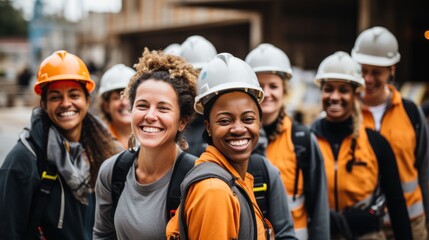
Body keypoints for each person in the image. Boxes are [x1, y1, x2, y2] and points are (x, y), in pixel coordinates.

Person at [167, 52, 297, 239]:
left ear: (259, 124)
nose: (238, 129)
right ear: (208, 127)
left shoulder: (235, 179)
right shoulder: (214, 191)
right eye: (225, 120)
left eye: (248, 119)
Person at [0, 50, 119, 239]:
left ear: (87, 101)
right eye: (55, 97)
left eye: (74, 95)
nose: (66, 104)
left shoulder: (102, 151)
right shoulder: (24, 160)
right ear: (44, 105)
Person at [93, 48, 199, 239]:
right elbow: (103, 235)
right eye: (142, 105)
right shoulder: (112, 172)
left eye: (163, 108)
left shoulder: (197, 178)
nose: (150, 116)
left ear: (182, 121)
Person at [310, 51, 412, 239]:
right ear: (321, 91)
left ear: (356, 94)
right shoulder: (307, 142)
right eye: (329, 88)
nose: (334, 96)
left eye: (343, 90)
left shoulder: (375, 143)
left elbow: (397, 203)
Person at [245, 43, 329, 240]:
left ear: (285, 91)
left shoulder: (302, 140)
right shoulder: (237, 141)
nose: (267, 93)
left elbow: (319, 209)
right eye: (260, 86)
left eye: (273, 86)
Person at [351, 26, 429, 239]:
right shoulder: (346, 115)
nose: (367, 79)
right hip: (365, 229)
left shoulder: (411, 113)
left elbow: (424, 170)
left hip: (412, 225)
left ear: (392, 70)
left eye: (376, 72)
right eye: (362, 70)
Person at [180, 35, 218, 157]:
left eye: (202, 74)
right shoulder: (174, 118)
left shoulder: (221, 117)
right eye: (191, 75)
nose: (196, 81)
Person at [98, 64, 136, 149]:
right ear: (106, 106)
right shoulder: (98, 142)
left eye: (129, 96)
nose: (124, 103)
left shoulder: (150, 139)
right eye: (117, 98)